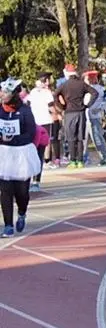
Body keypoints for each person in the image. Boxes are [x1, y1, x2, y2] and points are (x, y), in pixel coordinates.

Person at [0, 77, 41, 237]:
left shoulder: (25, 111)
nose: (2, 95)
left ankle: (22, 212)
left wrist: (14, 139)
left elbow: (31, 133)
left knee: (22, 192)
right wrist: (2, 138)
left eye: (5, 92)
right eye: (1, 92)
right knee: (5, 191)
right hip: (4, 154)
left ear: (14, 94)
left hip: (22, 154)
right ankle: (8, 225)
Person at [53, 64, 98, 169]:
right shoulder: (81, 84)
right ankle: (80, 161)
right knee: (80, 138)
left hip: (69, 113)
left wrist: (62, 106)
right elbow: (94, 93)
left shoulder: (64, 85)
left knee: (71, 138)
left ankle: (73, 161)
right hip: (81, 112)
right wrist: (88, 105)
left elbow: (55, 95)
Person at [82, 70, 106, 166]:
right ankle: (83, 158)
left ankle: (104, 157)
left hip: (95, 117)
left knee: (97, 137)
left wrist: (101, 108)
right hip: (84, 117)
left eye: (90, 78)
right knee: (83, 139)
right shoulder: (84, 89)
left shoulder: (101, 89)